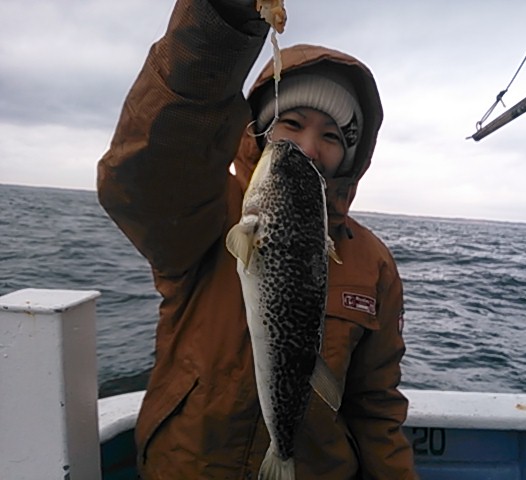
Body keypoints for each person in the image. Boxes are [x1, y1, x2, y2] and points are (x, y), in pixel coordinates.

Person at [97, 0, 417, 478]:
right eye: (291, 124)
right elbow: (150, 164)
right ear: (260, 131)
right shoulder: (206, 209)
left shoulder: (372, 262)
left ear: (351, 154)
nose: (307, 147)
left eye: (331, 136)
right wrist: (222, 20)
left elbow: (375, 405)